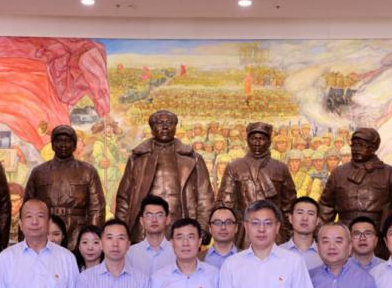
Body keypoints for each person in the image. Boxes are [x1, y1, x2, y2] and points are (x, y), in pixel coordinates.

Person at [114, 110, 215, 242]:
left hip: (182, 227)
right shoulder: (137, 158)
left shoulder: (193, 158)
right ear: (152, 128)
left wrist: (202, 229)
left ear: (175, 127)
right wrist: (121, 231)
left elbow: (205, 197)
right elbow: (124, 198)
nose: (165, 126)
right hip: (143, 230)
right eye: (160, 123)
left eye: (169, 123)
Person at [216, 122, 297, 246]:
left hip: (275, 234)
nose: (257, 143)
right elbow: (225, 205)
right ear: (247, 140)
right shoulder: (234, 167)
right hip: (244, 234)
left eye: (262, 139)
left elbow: (289, 207)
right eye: (253, 138)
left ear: (269, 142)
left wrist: (290, 237)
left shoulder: (281, 168)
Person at [23, 125, 106, 247]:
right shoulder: (39, 172)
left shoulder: (88, 171)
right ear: (52, 145)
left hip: (77, 231)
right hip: (46, 229)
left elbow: (97, 208)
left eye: (68, 141)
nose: (63, 145)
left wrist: (92, 237)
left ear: (74, 145)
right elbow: (27, 208)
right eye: (59, 141)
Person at [126, 195, 177, 276]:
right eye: (149, 215)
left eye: (159, 215)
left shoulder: (177, 252)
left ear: (167, 219)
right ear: (141, 221)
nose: (154, 220)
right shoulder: (130, 253)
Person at [281, 196, 322, 270]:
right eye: (300, 213)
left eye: (310, 214)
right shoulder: (278, 252)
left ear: (317, 221)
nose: (305, 218)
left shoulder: (325, 253)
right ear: (290, 218)